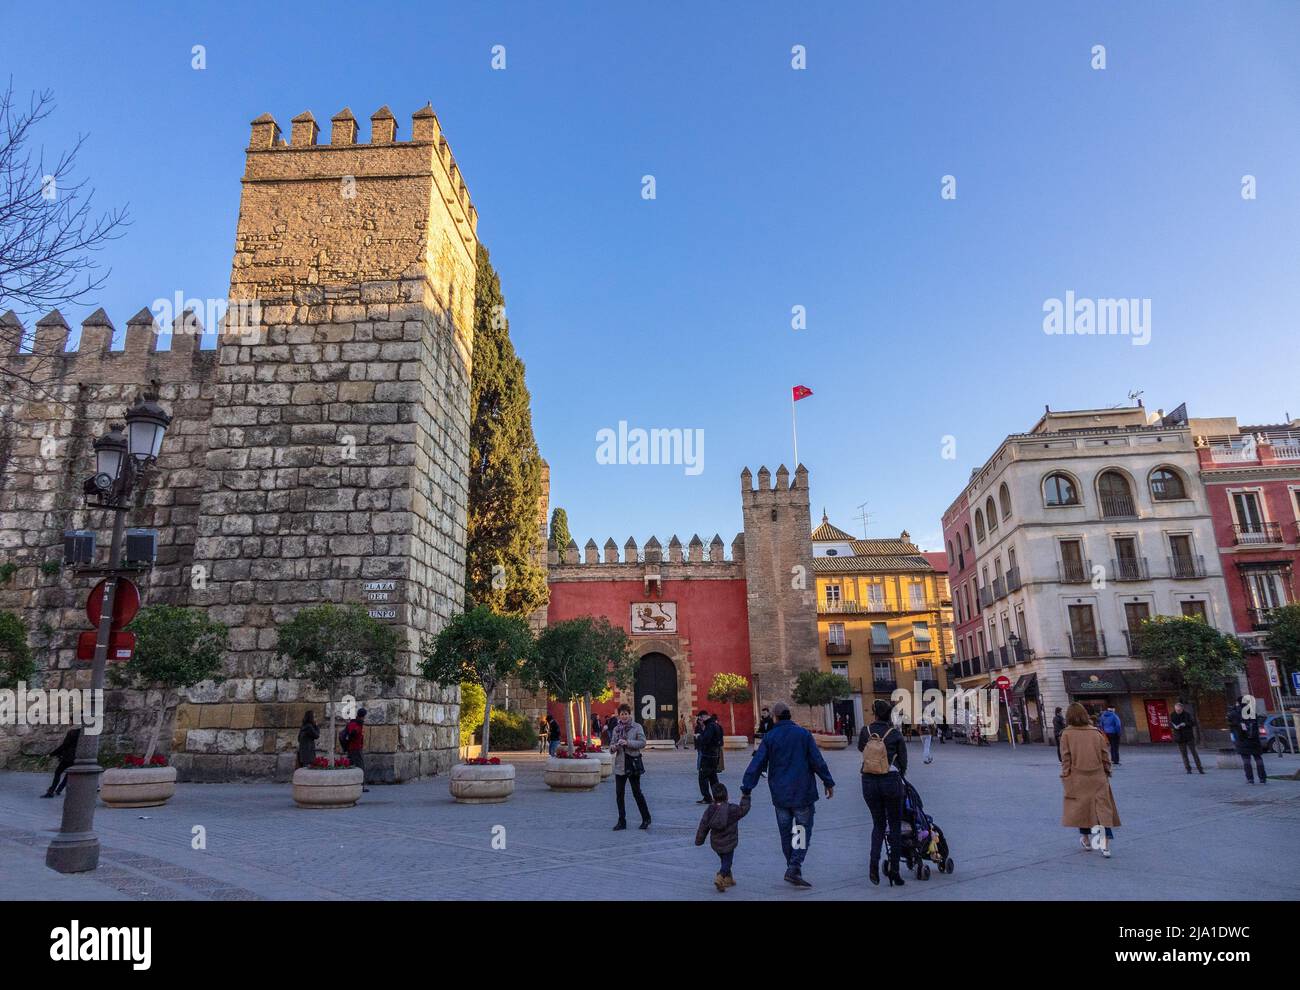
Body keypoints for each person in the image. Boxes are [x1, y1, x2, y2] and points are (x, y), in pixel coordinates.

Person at [741, 701, 835, 888]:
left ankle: (792, 867)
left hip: (780, 794)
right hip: (802, 793)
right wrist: (827, 781)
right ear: (790, 715)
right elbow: (817, 760)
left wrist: (747, 788)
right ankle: (794, 867)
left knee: (786, 834)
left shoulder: (770, 737)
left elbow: (757, 763)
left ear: (775, 717)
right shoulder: (803, 735)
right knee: (800, 831)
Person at [1059, 702, 1121, 857]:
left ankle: (1086, 839)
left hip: (1078, 776)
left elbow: (1066, 757)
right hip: (1098, 775)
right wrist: (1107, 770)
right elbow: (1104, 754)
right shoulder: (1096, 732)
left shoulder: (1066, 734)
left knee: (1083, 809)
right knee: (1102, 809)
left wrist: (1065, 774)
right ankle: (1105, 844)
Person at [858, 698, 907, 886]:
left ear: (875, 713)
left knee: (878, 825)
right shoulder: (894, 734)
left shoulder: (865, 731)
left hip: (868, 781)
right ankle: (894, 871)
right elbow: (903, 761)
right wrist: (900, 776)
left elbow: (862, 748)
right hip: (890, 781)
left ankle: (873, 866)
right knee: (894, 826)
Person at [695, 782, 751, 891]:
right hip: (729, 842)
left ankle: (728, 879)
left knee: (724, 860)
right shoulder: (732, 809)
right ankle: (720, 877)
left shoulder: (710, 810)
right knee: (727, 862)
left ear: (713, 797)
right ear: (727, 796)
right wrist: (746, 797)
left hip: (716, 843)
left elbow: (703, 825)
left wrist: (699, 840)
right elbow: (743, 809)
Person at [608, 703, 651, 829]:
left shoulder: (636, 727)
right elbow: (611, 747)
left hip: (632, 764)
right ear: (619, 715)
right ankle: (622, 821)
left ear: (629, 714)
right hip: (620, 765)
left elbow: (643, 743)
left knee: (637, 792)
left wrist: (627, 742)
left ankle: (646, 818)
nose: (624, 716)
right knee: (619, 794)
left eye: (626, 714)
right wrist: (614, 746)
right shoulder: (616, 729)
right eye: (622, 714)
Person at [1230, 697, 1267, 785]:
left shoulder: (1235, 713)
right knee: (1258, 758)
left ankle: (1250, 779)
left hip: (1242, 739)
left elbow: (1231, 721)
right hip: (1254, 739)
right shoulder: (1251, 711)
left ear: (1238, 703)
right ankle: (1262, 778)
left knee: (1246, 760)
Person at [42, 727, 81, 798]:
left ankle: (51, 791)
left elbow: (64, 746)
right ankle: (59, 789)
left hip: (68, 757)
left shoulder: (72, 732)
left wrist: (51, 754)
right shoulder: (83, 733)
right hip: (77, 757)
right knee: (68, 774)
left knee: (58, 772)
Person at [696, 711, 724, 804]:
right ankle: (719, 797)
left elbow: (706, 739)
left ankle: (707, 797)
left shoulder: (710, 726)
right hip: (714, 755)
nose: (700, 720)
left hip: (708, 755)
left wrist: (699, 737)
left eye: (700, 718)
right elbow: (720, 738)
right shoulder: (716, 725)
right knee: (713, 778)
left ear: (704, 717)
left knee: (702, 777)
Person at [1169, 702, 1204, 775]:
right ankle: (1188, 769)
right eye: (1176, 710)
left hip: (1188, 736)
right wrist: (1174, 727)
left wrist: (1185, 724)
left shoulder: (1187, 714)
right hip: (1179, 737)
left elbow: (1193, 723)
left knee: (1194, 753)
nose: (1177, 711)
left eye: (1179, 710)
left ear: (1182, 709)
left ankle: (1200, 768)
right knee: (1184, 754)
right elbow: (1170, 724)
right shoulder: (1172, 715)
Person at [343, 708, 369, 791]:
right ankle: (361, 786)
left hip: (351, 748)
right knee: (360, 767)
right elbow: (353, 734)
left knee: (351, 766)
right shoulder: (357, 724)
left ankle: (351, 784)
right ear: (363, 716)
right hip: (356, 748)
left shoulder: (352, 723)